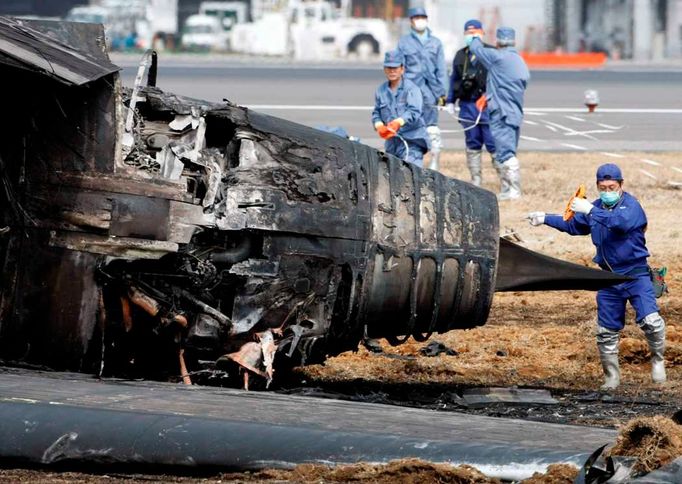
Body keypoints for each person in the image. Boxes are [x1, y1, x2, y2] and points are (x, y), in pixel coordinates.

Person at [527, 163, 666, 390]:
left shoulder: (631, 206)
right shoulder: (596, 207)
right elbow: (574, 225)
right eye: (603, 187)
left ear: (621, 185)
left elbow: (620, 224)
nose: (607, 191)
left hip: (635, 274)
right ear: (597, 187)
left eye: (612, 186)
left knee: (650, 321)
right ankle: (612, 376)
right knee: (606, 330)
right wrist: (545, 218)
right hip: (608, 278)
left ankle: (658, 361)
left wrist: (590, 210)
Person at [467, 27, 529, 200]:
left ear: (498, 41)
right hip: (514, 112)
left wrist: (476, 36)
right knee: (509, 150)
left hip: (501, 113)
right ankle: (509, 189)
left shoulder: (497, 57)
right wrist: (490, 95)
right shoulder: (518, 61)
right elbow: (510, 85)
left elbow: (476, 49)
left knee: (506, 154)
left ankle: (513, 191)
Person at [445, 19, 496, 186]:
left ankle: (506, 181)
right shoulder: (461, 55)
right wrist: (450, 100)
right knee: (472, 142)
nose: (472, 35)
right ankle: (476, 180)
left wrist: (490, 96)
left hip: (487, 104)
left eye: (475, 32)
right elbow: (454, 79)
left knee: (492, 142)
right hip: (467, 104)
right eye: (468, 32)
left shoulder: (492, 52)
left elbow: (500, 79)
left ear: (482, 32)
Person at [397, 6, 448, 171]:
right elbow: (398, 67)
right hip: (410, 91)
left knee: (432, 128)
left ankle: (434, 162)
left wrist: (442, 93)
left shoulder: (435, 43)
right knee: (409, 125)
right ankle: (411, 162)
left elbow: (441, 70)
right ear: (411, 21)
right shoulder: (404, 42)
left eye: (422, 17)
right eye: (416, 17)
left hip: (431, 91)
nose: (420, 20)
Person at [372, 50, 430, 167]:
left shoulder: (411, 89)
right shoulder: (381, 90)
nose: (392, 71)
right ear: (384, 69)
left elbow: (414, 111)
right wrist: (379, 125)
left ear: (402, 69)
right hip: (392, 143)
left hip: (412, 140)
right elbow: (376, 112)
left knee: (411, 174)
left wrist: (399, 122)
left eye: (395, 67)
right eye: (389, 67)